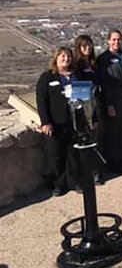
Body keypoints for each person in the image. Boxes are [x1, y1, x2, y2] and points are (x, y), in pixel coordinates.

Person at [36, 47, 80, 196]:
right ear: (56, 58)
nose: (66, 58)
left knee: (73, 153)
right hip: (55, 123)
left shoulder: (76, 75)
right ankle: (59, 184)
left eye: (68, 56)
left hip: (73, 121)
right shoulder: (47, 77)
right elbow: (41, 101)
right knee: (56, 155)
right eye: (62, 56)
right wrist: (45, 122)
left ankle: (74, 182)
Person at [97, 30, 122, 173]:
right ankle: (114, 164)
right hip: (114, 102)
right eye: (114, 40)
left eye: (119, 40)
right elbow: (104, 84)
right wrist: (109, 104)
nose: (116, 42)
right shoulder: (104, 59)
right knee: (112, 134)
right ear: (108, 41)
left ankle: (121, 160)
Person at [73, 35, 104, 185]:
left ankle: (96, 172)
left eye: (90, 45)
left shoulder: (94, 64)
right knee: (85, 140)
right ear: (78, 47)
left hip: (95, 104)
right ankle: (87, 174)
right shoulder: (75, 67)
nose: (87, 48)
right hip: (82, 107)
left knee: (95, 140)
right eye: (84, 46)